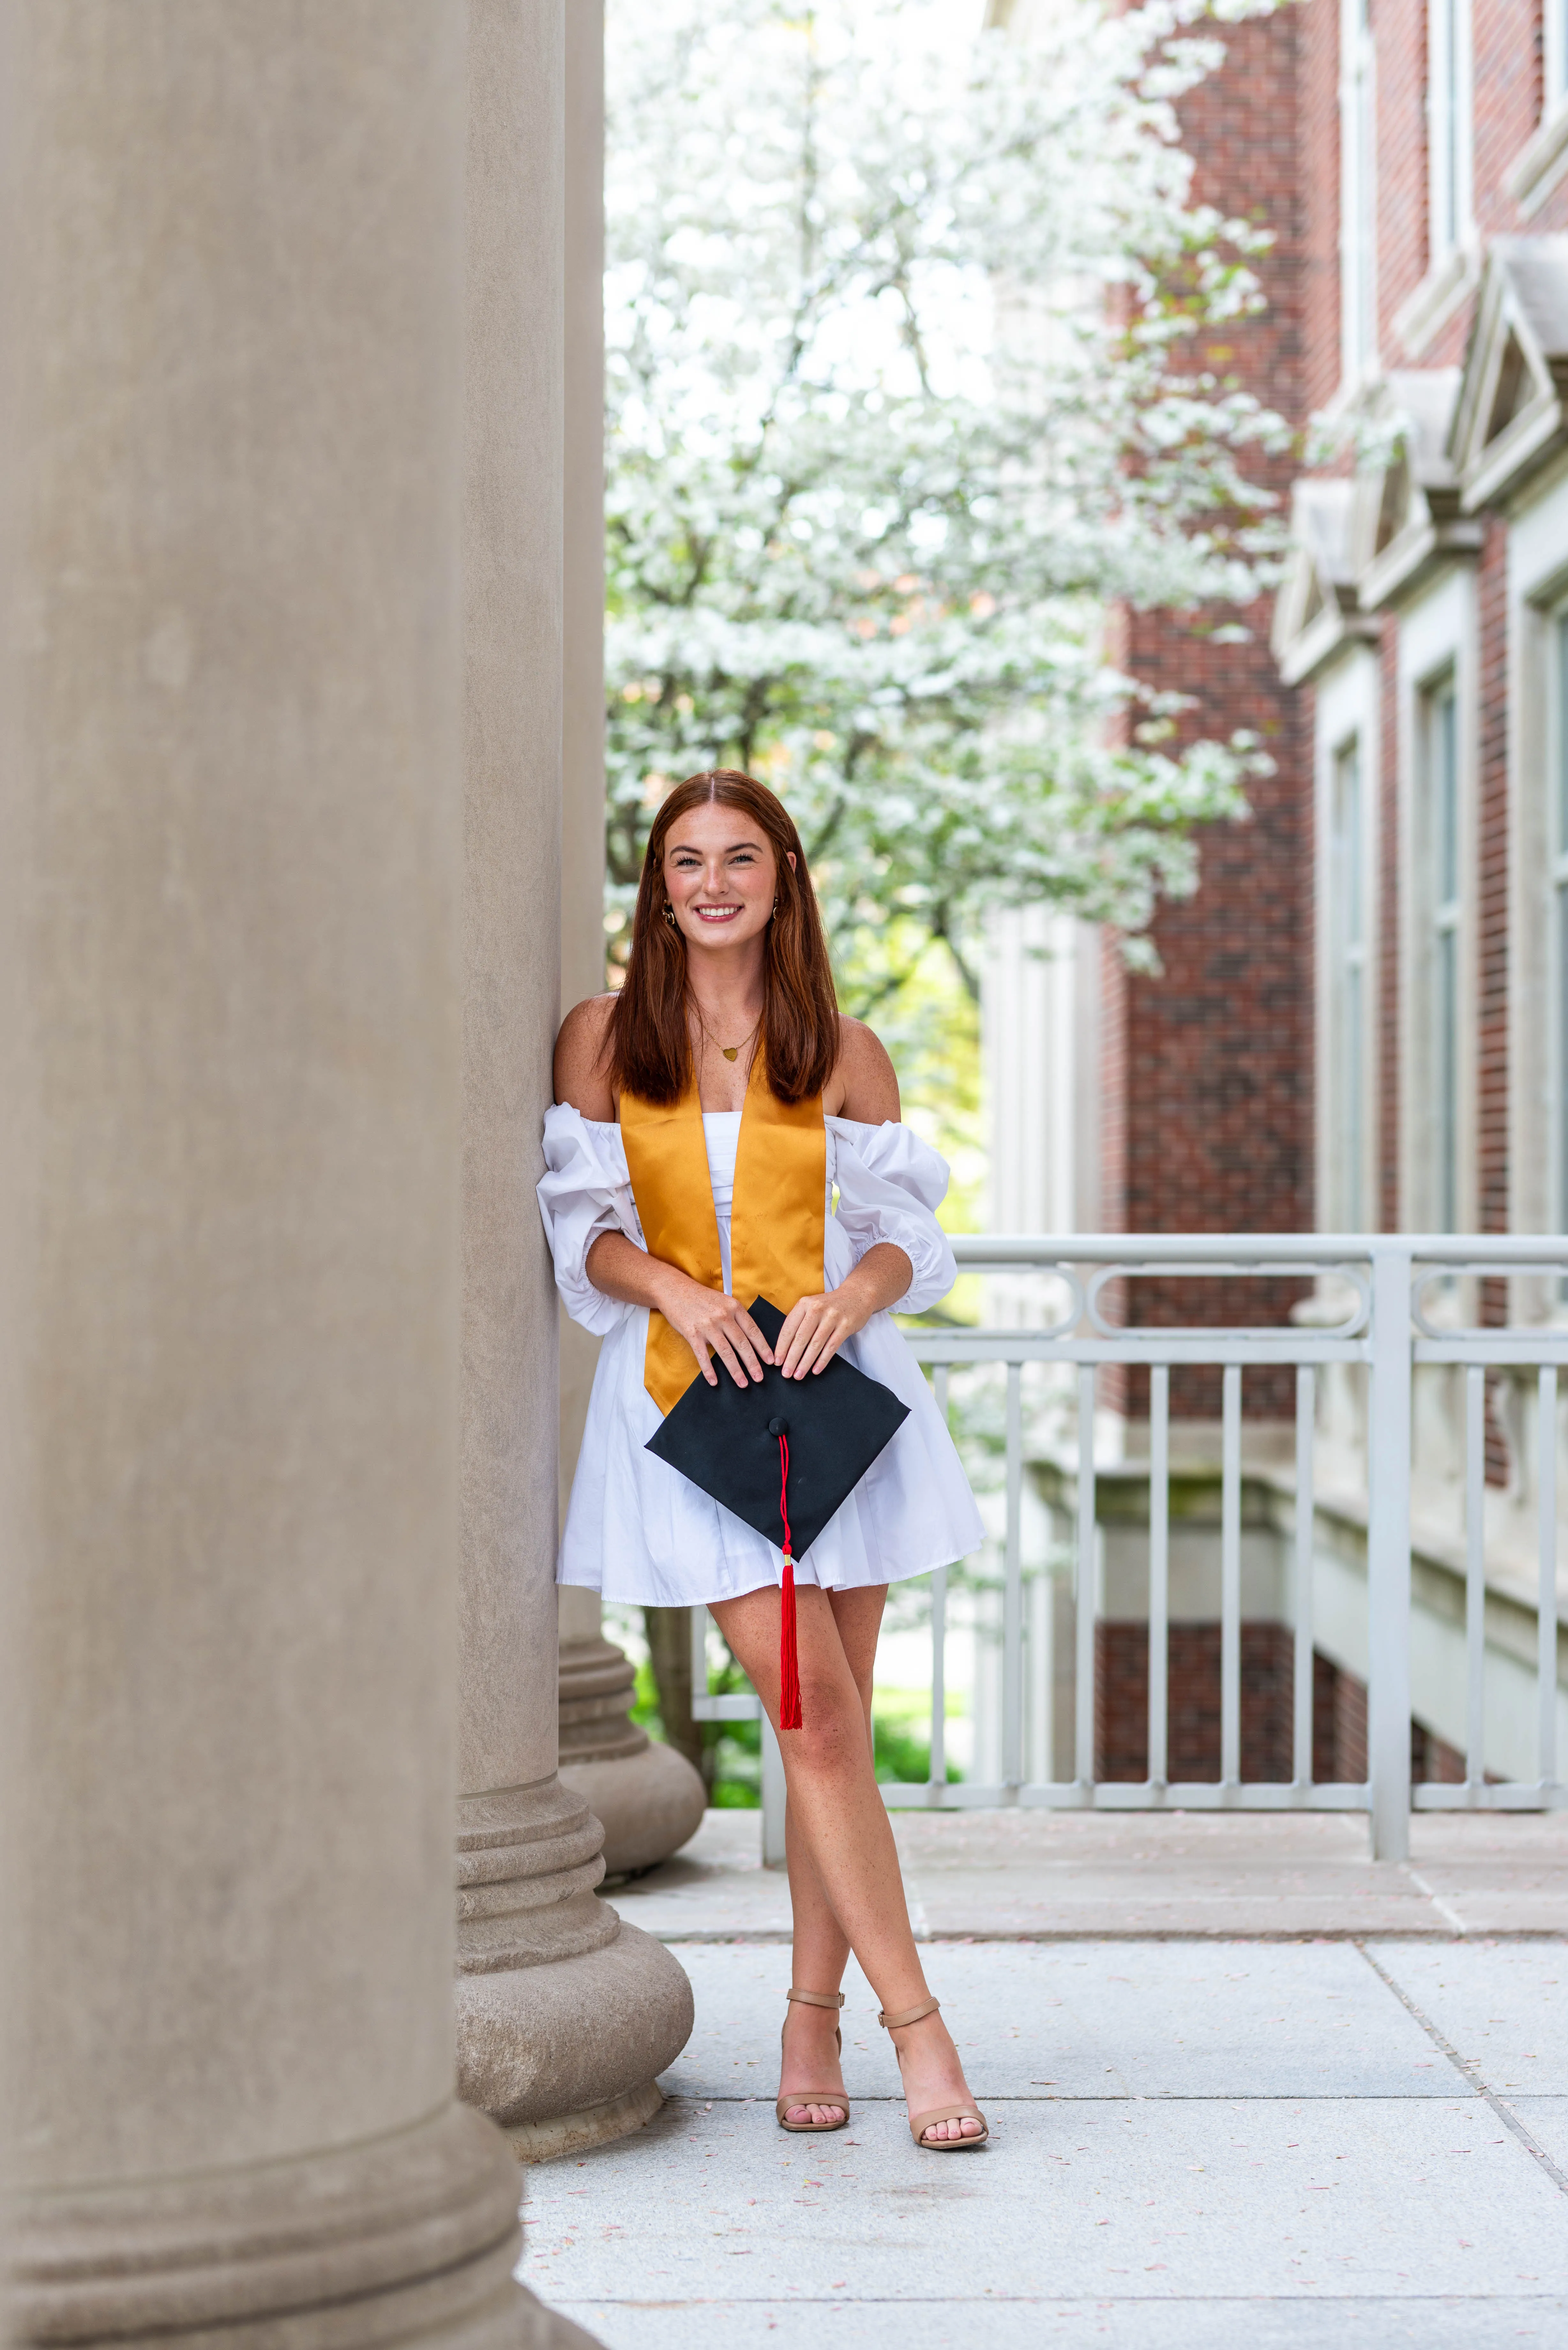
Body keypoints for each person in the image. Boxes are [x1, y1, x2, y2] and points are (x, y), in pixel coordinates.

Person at [539, 768, 988, 2151]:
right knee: (818, 1723)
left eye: (741, 856)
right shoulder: (606, 1037)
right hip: (693, 1409)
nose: (714, 882)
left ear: (784, 875)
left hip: (837, 1399)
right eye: (688, 860)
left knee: (825, 1733)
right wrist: (676, 1291)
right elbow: (580, 1228)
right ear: (659, 887)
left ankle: (811, 2015)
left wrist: (856, 1295)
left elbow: (908, 1233)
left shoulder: (838, 1046)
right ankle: (922, 2030)